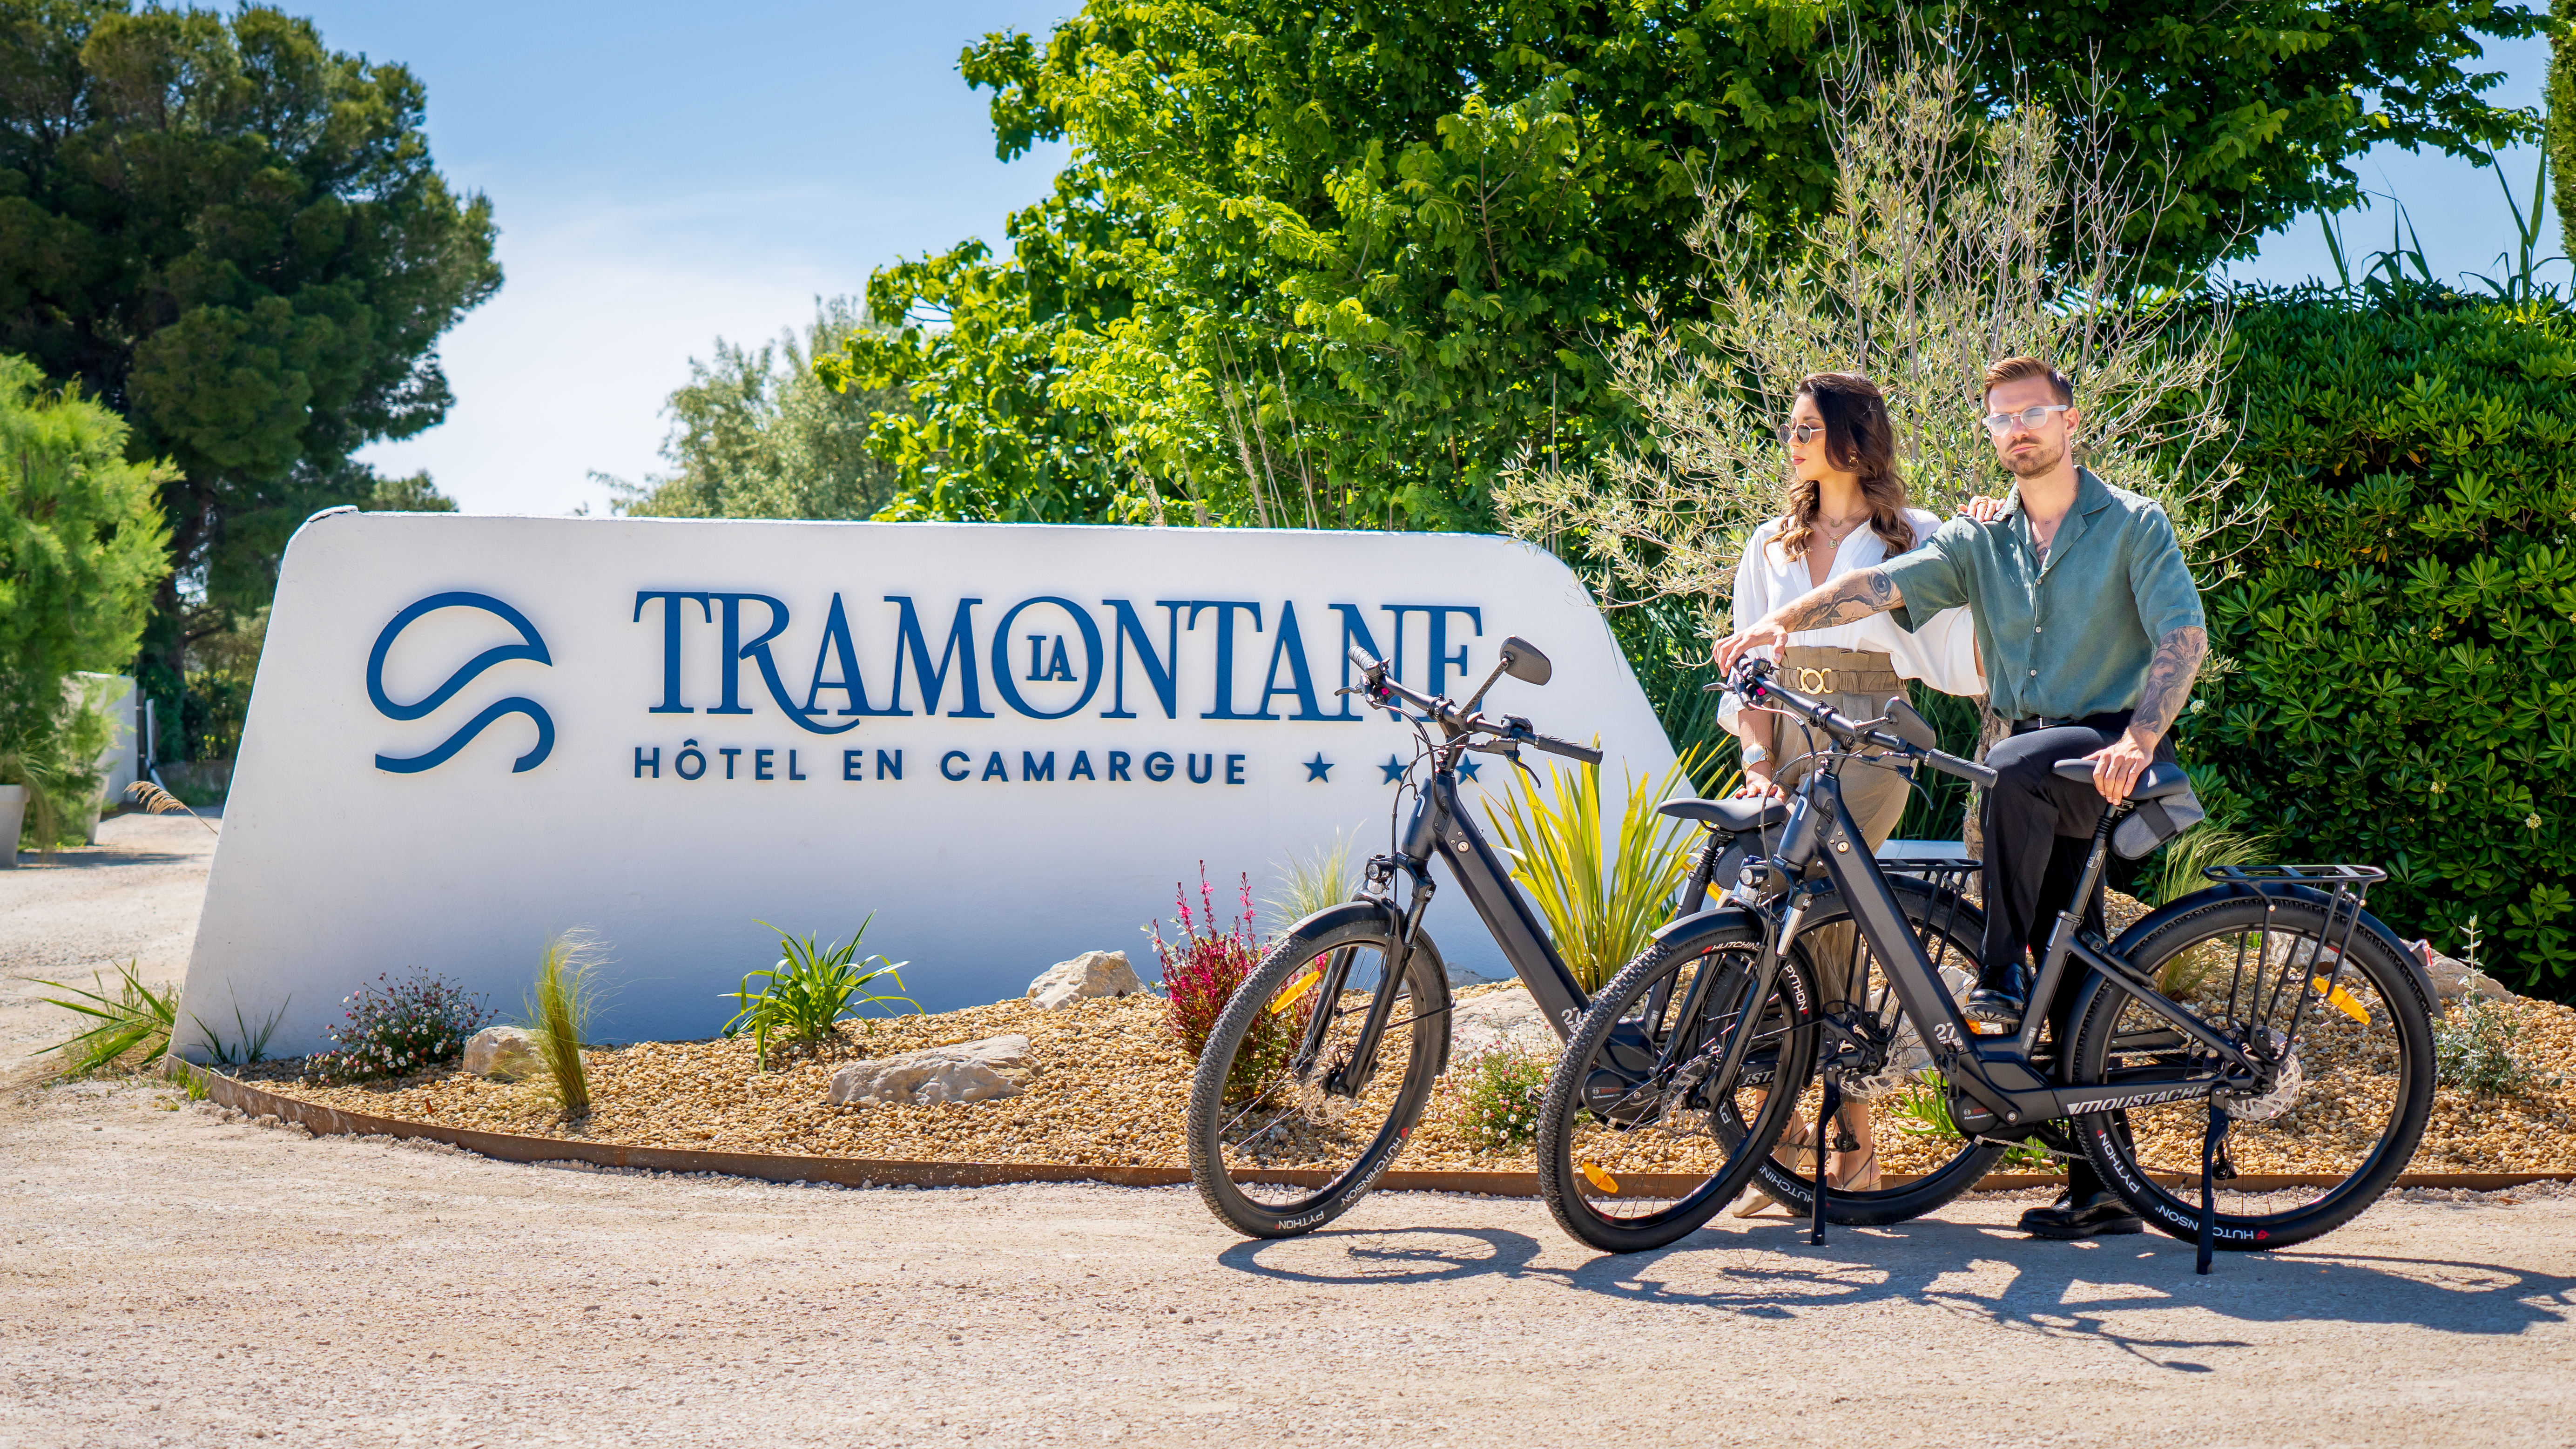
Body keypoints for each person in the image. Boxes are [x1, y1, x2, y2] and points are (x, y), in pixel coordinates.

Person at [1713, 355, 2208, 1241]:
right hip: (2020, 755)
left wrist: (2139, 739)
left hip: (2099, 747)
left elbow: (2182, 633)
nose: (2016, 429)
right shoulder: (1986, 538)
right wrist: (1780, 623)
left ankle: (1994, 975)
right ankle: (2100, 1180)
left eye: (2032, 413)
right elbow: (1881, 587)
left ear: (2069, 420)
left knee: (2021, 829)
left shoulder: (2133, 522)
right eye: (2000, 419)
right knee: (2072, 943)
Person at [1721, 372, 1981, 1202]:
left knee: (1830, 902)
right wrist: (1757, 766)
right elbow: (1751, 668)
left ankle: (1840, 1130)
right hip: (1788, 726)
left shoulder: (1914, 533)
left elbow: (1967, 628)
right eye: (1790, 426)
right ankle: (1793, 1123)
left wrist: (1986, 530)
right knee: (1776, 911)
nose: (1792, 440)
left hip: (1870, 737)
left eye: (1807, 427)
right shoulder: (1770, 542)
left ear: (1852, 438)